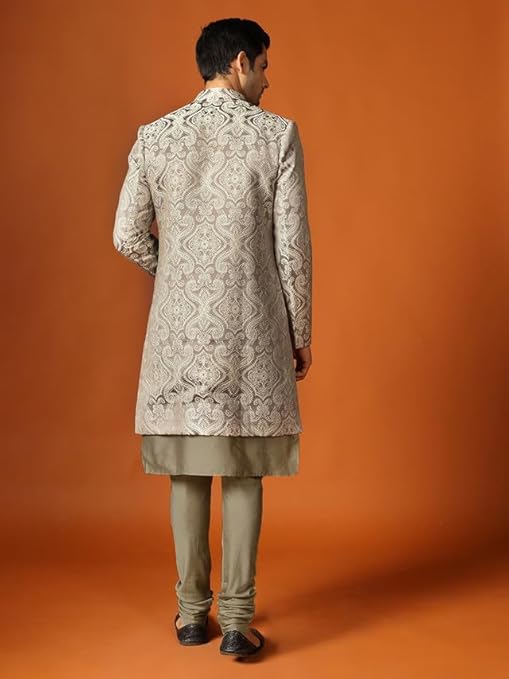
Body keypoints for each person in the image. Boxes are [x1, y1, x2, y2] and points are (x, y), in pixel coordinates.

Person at [113, 17, 312, 658]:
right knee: (245, 469)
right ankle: (236, 622)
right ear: (240, 62)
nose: (268, 79)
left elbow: (125, 234)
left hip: (178, 330)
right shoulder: (275, 135)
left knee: (188, 469)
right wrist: (300, 330)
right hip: (254, 326)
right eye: (264, 66)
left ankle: (191, 615)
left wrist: (173, 271)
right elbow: (292, 249)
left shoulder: (156, 135)